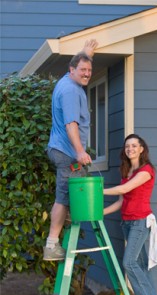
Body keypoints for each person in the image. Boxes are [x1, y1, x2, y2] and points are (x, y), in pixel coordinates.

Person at [43, 39, 98, 261]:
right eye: (82, 70)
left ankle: (65, 221)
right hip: (67, 152)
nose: (86, 74)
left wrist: (86, 53)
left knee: (71, 192)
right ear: (71, 70)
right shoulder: (71, 92)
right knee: (64, 197)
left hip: (60, 149)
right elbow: (70, 124)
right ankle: (51, 245)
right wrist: (79, 151)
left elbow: (79, 64)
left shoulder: (68, 81)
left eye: (89, 70)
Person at [103, 133, 157, 295]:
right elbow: (121, 201)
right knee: (141, 266)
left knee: (129, 263)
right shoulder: (126, 171)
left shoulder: (146, 170)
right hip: (126, 223)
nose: (130, 149)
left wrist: (96, 190)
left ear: (141, 149)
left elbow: (123, 190)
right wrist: (101, 213)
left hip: (140, 222)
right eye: (127, 146)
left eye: (134, 146)